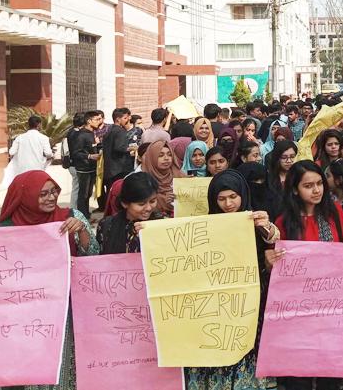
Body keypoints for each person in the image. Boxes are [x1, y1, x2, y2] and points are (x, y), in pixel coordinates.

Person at [0, 170, 99, 390]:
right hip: (20, 318)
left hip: (64, 313)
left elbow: (94, 258)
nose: (51, 197)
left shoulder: (71, 216)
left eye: (54, 191)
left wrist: (82, 231)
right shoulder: (3, 232)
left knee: (62, 367)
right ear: (25, 196)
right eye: (43, 194)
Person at [186, 169, 280, 390]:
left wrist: (265, 227)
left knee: (245, 347)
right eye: (221, 198)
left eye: (233, 197)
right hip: (215, 305)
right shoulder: (202, 227)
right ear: (213, 199)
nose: (228, 204)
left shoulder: (257, 221)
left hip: (249, 304)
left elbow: (275, 242)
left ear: (242, 195)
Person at [96, 172, 164, 254]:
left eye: (152, 201)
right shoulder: (107, 225)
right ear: (125, 203)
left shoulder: (162, 223)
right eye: (141, 204)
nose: (149, 208)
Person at [141, 140, 186, 216]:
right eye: (160, 155)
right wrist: (166, 203)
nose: (166, 158)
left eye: (169, 155)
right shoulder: (144, 180)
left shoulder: (180, 175)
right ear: (152, 157)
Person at [72, 111, 102, 219]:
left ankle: (87, 214)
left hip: (91, 168)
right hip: (83, 168)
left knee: (88, 193)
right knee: (83, 194)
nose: (99, 122)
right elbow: (76, 152)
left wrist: (98, 146)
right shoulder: (81, 135)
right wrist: (89, 157)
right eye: (96, 120)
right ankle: (82, 217)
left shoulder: (92, 133)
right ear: (89, 121)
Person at [102, 108, 135, 188]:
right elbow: (119, 148)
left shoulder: (109, 130)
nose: (127, 120)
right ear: (118, 119)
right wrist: (132, 148)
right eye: (125, 118)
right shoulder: (120, 131)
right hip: (119, 169)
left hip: (109, 169)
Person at [66, 112, 86, 209]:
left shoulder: (70, 131)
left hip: (71, 164)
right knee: (77, 188)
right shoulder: (78, 134)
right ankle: (74, 209)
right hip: (76, 164)